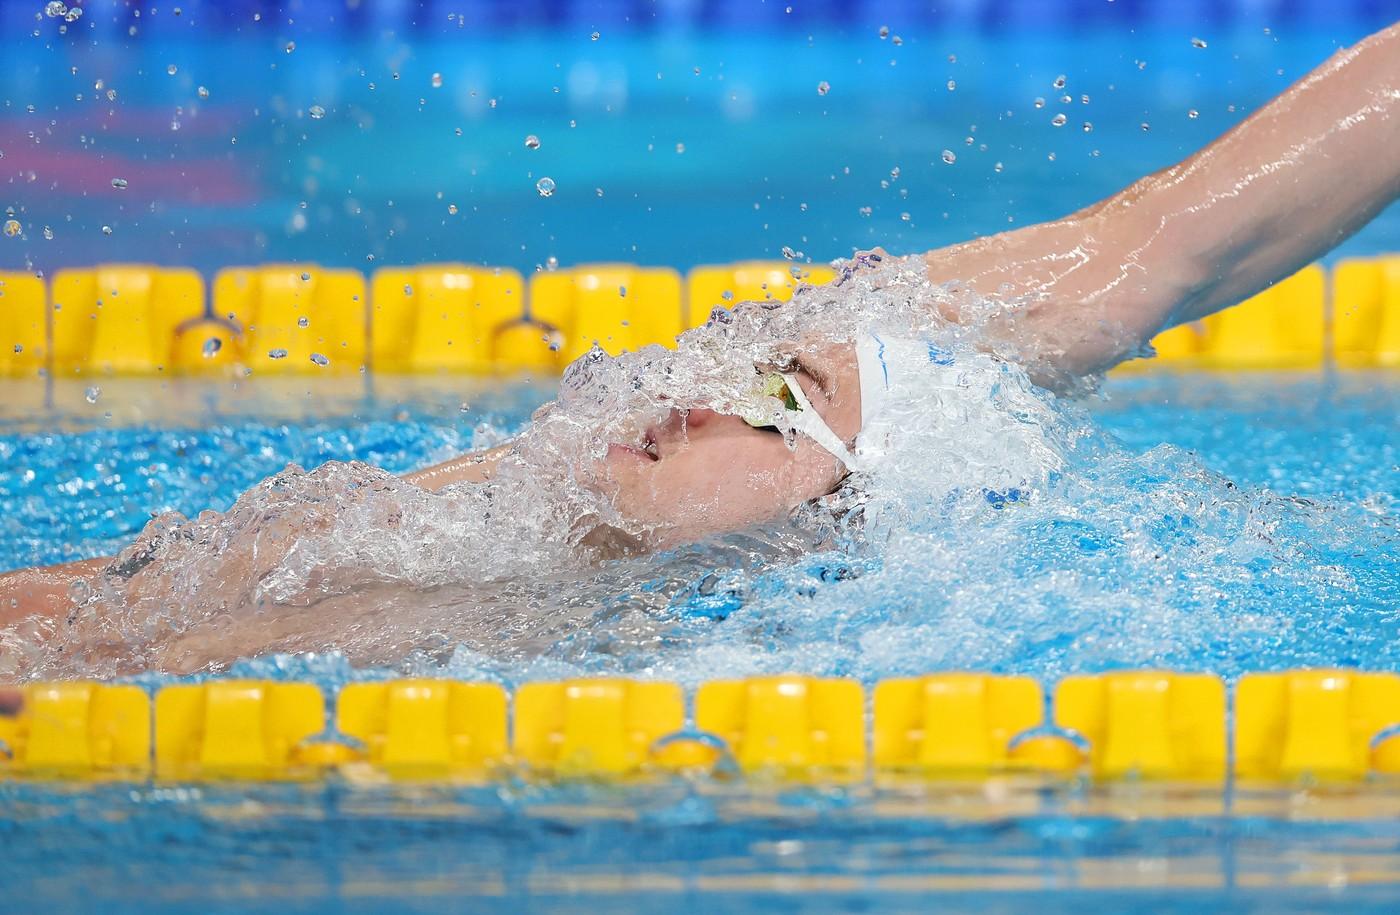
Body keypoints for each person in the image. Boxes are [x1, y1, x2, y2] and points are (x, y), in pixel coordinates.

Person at [1, 20, 1398, 701]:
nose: (686, 392)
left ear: (829, 523)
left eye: (776, 408)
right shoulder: (514, 508)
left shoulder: (553, 631)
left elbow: (1170, 255)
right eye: (756, 360)